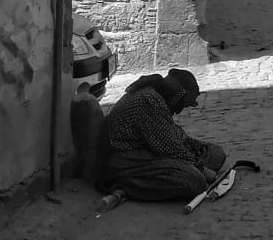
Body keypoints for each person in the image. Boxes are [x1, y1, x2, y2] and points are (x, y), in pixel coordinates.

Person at [96, 68, 226, 202]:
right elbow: (170, 147)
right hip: (124, 160)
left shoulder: (157, 96)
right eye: (183, 105)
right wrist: (203, 170)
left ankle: (188, 170)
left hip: (148, 151)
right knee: (195, 181)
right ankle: (124, 185)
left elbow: (171, 133)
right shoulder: (149, 100)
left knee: (216, 153)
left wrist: (193, 145)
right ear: (178, 96)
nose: (180, 110)